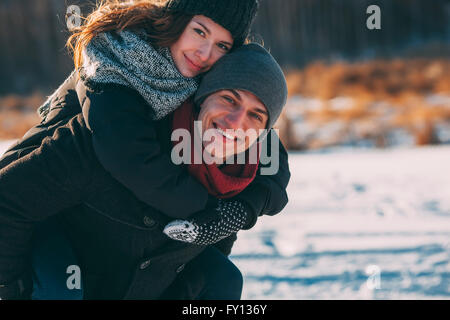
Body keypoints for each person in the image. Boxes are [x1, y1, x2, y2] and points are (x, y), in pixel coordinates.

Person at [0, 0, 289, 300]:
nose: (205, 54)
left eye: (222, 46)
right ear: (177, 21)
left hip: (126, 252)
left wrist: (240, 211)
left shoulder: (204, 90)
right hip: (50, 222)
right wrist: (10, 287)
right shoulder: (116, 74)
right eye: (199, 32)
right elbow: (126, 155)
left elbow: (268, 148)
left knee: (221, 276)